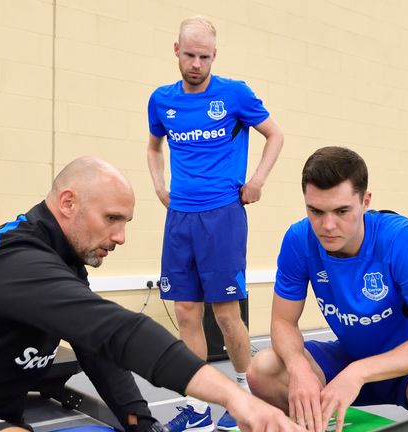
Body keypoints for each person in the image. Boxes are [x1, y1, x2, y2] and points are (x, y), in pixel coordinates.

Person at [0, 157, 300, 432]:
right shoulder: (14, 261)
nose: (120, 237)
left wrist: (139, 419)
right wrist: (236, 398)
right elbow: (115, 329)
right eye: (112, 219)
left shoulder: (61, 262)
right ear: (68, 204)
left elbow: (95, 346)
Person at [246, 147, 408, 432]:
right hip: (347, 359)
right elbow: (282, 322)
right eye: (315, 211)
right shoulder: (298, 240)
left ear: (365, 202)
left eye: (342, 211)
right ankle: (314, 424)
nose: (327, 226)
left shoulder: (402, 240)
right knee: (263, 369)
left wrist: (359, 372)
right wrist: (298, 367)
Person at [146, 16, 284, 432]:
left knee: (225, 314)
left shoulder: (234, 95)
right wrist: (160, 186)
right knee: (187, 311)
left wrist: (257, 181)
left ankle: (247, 394)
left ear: (214, 57)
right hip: (180, 217)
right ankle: (200, 407)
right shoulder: (161, 100)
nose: (196, 64)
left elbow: (275, 135)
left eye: (204, 57)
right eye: (189, 55)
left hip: (222, 215)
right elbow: (153, 147)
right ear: (176, 50)